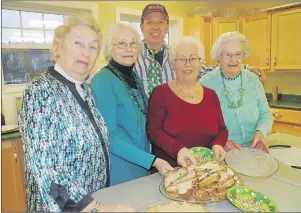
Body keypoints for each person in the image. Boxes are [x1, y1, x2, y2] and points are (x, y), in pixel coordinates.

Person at [18, 15, 135, 212]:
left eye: (92, 46)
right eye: (78, 43)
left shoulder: (86, 90)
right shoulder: (40, 91)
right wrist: (97, 208)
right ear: (57, 49)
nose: (86, 52)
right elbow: (49, 173)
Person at [91, 23, 173, 186]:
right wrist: (154, 161)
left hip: (142, 167)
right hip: (120, 171)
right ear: (109, 48)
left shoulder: (133, 76)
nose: (128, 48)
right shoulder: (102, 81)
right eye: (121, 43)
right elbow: (110, 139)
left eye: (133, 43)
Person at [135, 3, 266, 97]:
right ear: (142, 27)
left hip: (173, 123)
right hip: (140, 126)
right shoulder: (131, 57)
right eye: (150, 22)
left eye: (161, 22)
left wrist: (246, 67)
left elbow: (210, 70)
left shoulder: (178, 55)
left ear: (167, 27)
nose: (155, 27)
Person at [147, 36, 228, 169]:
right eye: (181, 59)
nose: (188, 64)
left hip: (206, 168)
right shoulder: (160, 94)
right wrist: (178, 150)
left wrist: (218, 144)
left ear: (200, 62)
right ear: (172, 63)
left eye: (193, 58)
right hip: (170, 170)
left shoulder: (211, 95)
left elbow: (222, 129)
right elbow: (154, 132)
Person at [200, 31, 274, 153]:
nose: (233, 60)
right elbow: (200, 123)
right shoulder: (206, 83)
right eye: (227, 55)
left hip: (253, 148)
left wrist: (261, 132)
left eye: (238, 54)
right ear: (218, 57)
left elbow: (265, 115)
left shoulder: (253, 80)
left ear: (244, 55)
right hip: (220, 151)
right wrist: (220, 142)